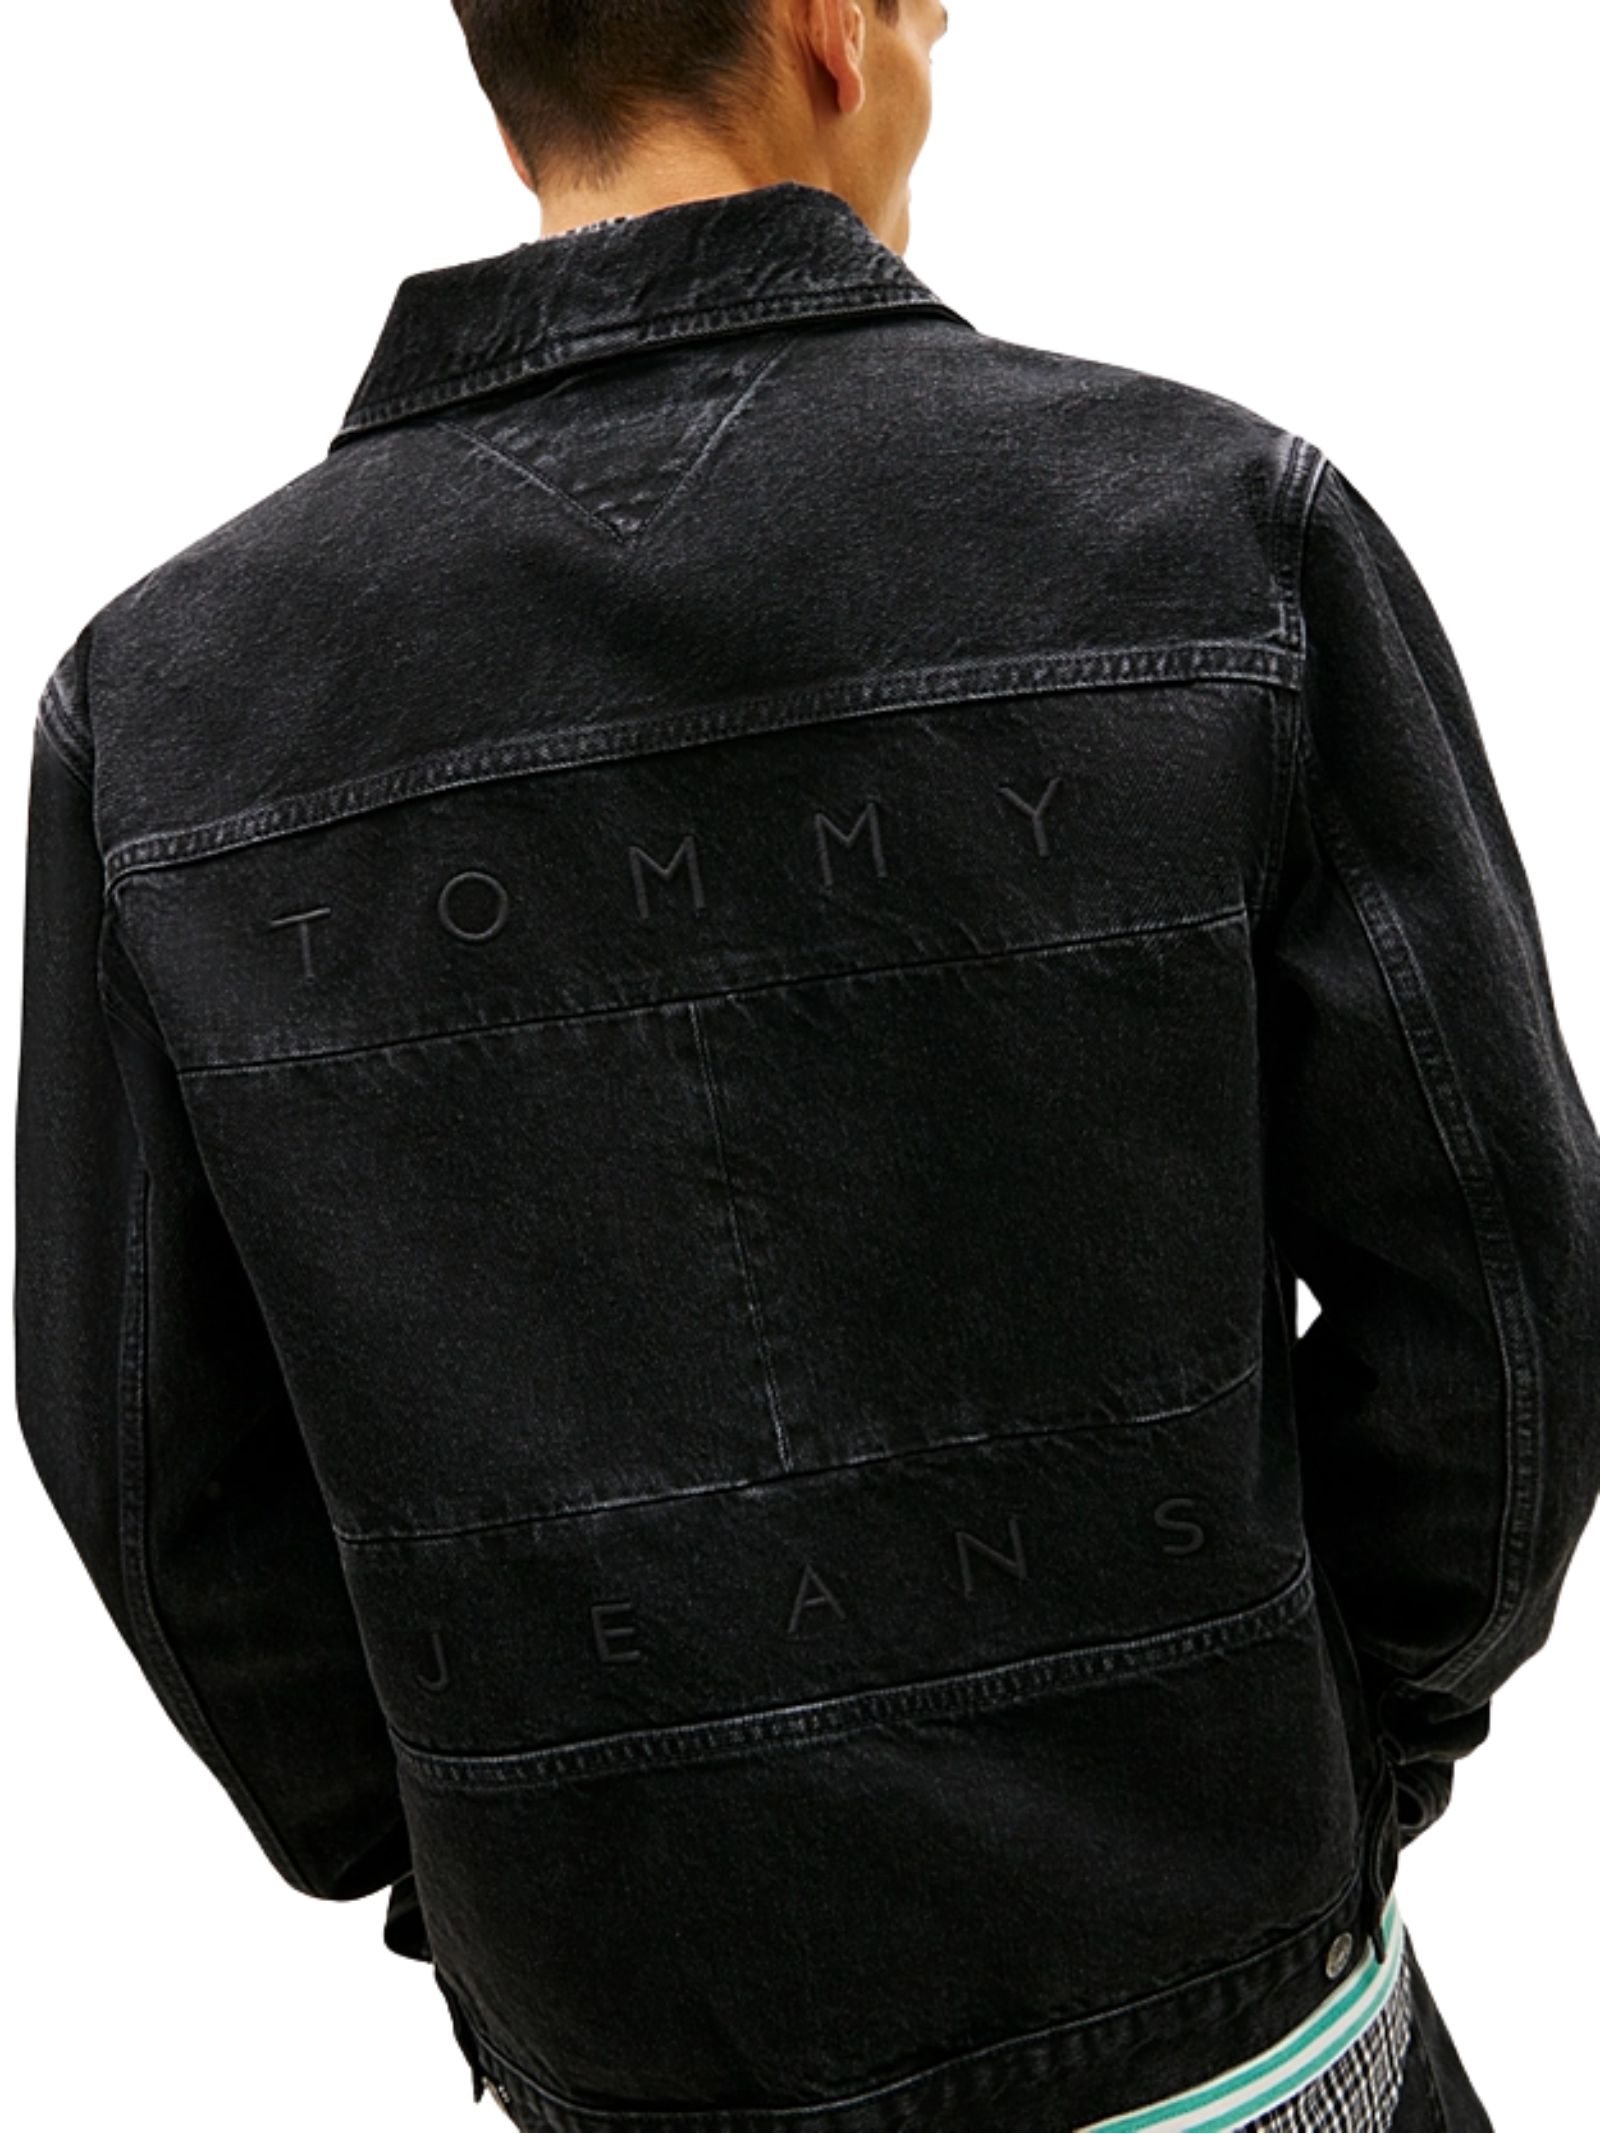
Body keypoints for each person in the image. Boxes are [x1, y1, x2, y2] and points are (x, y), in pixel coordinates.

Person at [12, 3, 1596, 2127]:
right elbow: (1503, 1302)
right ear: (826, 28)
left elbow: (156, 1478)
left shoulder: (160, 714)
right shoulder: (1218, 536)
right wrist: (1327, 1753)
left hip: (642, 2044)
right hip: (1221, 2009)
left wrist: (481, 1870)